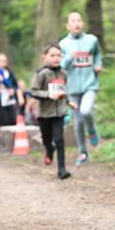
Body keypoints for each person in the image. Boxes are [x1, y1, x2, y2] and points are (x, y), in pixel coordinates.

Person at [59, 11, 102, 165]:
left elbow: (97, 55)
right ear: (68, 25)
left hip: (90, 84)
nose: (76, 23)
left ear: (82, 23)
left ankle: (91, 129)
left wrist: (98, 65)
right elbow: (61, 66)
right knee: (77, 123)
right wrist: (70, 56)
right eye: (73, 21)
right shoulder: (63, 44)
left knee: (86, 111)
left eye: (79, 20)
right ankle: (82, 152)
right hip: (72, 88)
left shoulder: (92, 40)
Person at [30, 43, 77, 180]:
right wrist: (48, 95)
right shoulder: (41, 74)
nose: (56, 58)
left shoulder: (63, 74)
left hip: (59, 112)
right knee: (47, 139)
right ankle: (49, 150)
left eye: (58, 55)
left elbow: (62, 91)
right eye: (52, 55)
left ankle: (62, 169)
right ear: (44, 57)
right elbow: (33, 91)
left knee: (59, 139)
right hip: (44, 114)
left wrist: (69, 102)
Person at [0, 52, 19, 125]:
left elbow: (15, 85)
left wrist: (13, 90)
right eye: (0, 61)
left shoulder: (10, 72)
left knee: (12, 120)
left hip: (9, 99)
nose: (2, 63)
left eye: (4, 61)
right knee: (1, 121)